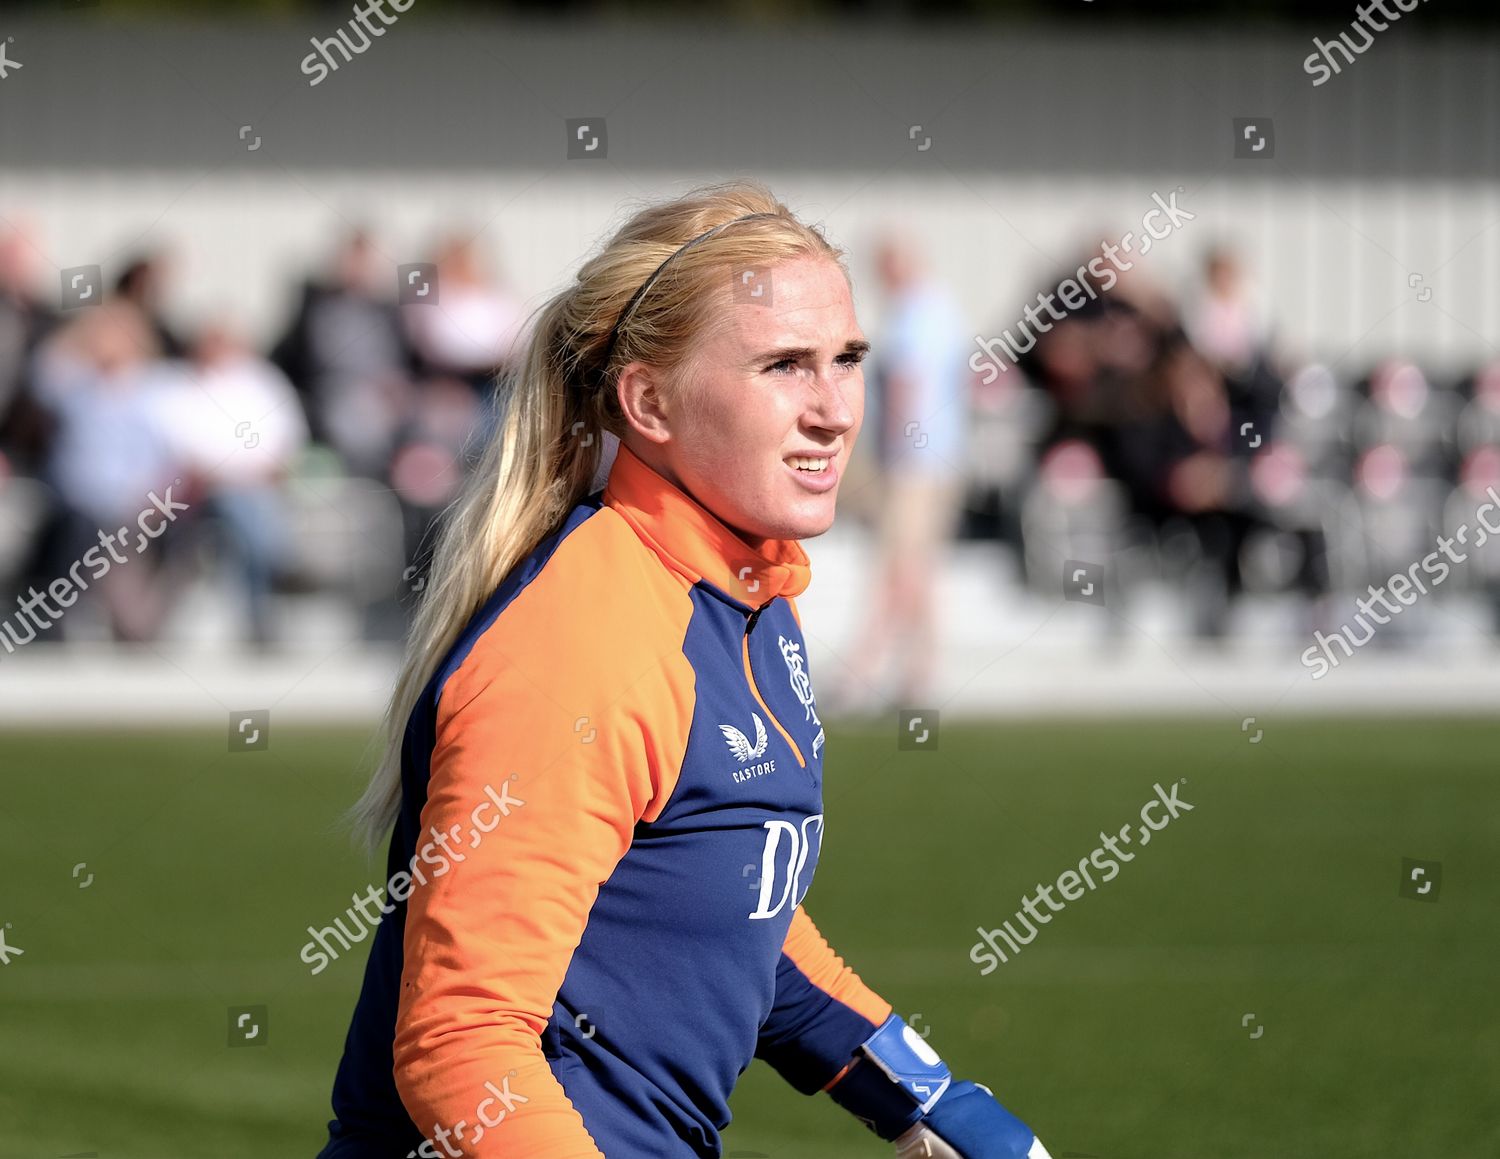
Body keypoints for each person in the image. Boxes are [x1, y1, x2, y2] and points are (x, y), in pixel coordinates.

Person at [315, 182, 1053, 1159]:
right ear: (649, 402)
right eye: (783, 365)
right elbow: (464, 1045)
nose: (835, 410)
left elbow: (727, 898)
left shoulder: (750, 596)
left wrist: (926, 1095)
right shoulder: (589, 632)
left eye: (847, 360)